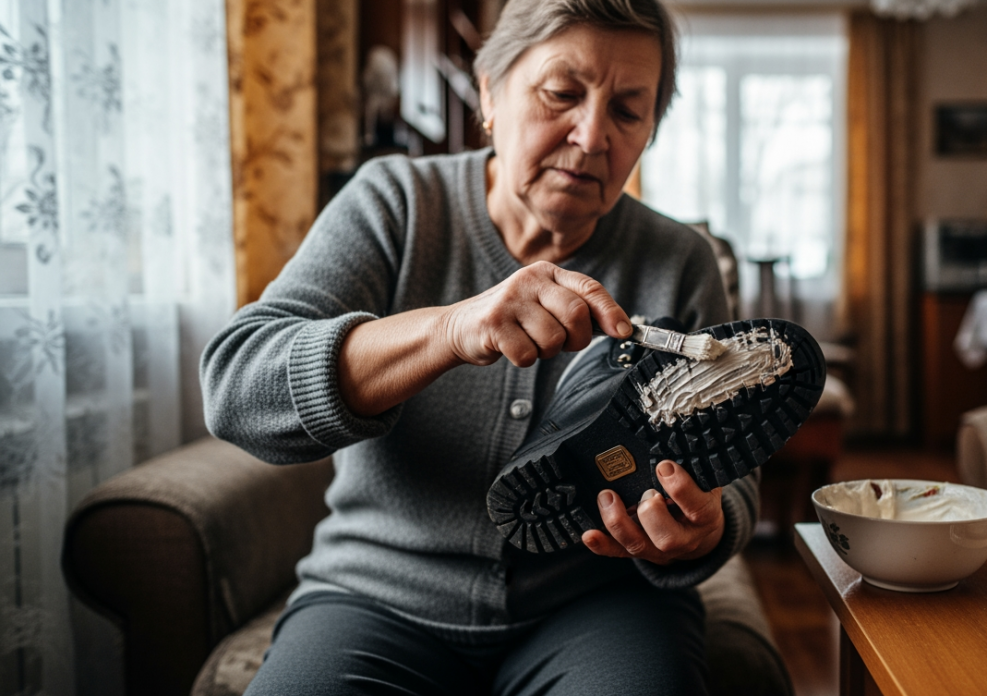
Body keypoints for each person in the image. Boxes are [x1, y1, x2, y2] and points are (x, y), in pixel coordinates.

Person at [200, 1, 756, 693]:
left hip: (602, 604)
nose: (590, 136)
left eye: (628, 111)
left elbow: (731, 472)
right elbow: (236, 387)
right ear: (490, 92)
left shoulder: (680, 260)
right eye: (561, 94)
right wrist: (450, 330)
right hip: (374, 600)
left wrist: (707, 526)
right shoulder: (394, 203)